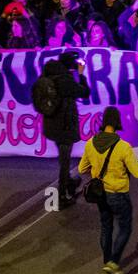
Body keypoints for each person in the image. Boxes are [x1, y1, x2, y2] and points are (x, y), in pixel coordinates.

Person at [77, 105, 138, 274]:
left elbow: (81, 168)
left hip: (100, 194)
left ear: (103, 122)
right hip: (118, 193)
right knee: (125, 227)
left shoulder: (91, 143)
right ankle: (113, 263)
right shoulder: (123, 147)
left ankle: (106, 262)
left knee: (106, 226)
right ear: (117, 123)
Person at [36, 51, 90, 207]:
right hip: (64, 126)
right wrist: (81, 75)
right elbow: (85, 92)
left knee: (63, 157)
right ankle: (62, 196)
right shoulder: (65, 80)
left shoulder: (47, 74)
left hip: (51, 124)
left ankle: (69, 183)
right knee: (65, 160)